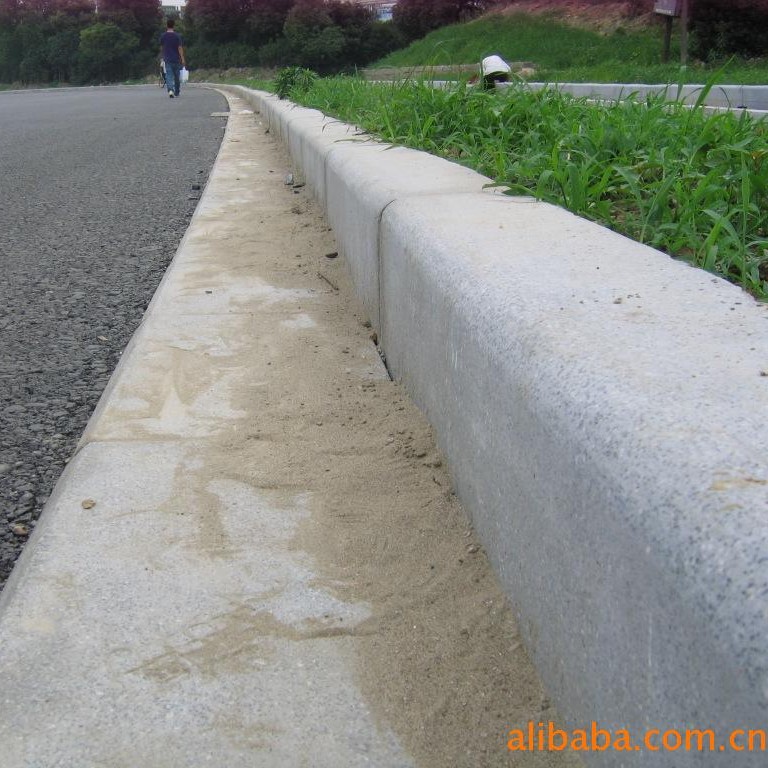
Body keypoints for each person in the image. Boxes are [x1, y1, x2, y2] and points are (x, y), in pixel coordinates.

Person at [159, 18, 186, 99]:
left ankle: (170, 90)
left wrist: (162, 56)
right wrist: (183, 58)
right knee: (177, 76)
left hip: (167, 59)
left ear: (167, 26)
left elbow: (162, 47)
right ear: (173, 26)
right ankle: (177, 92)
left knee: (169, 75)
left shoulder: (163, 36)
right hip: (176, 59)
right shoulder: (177, 36)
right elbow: (180, 48)